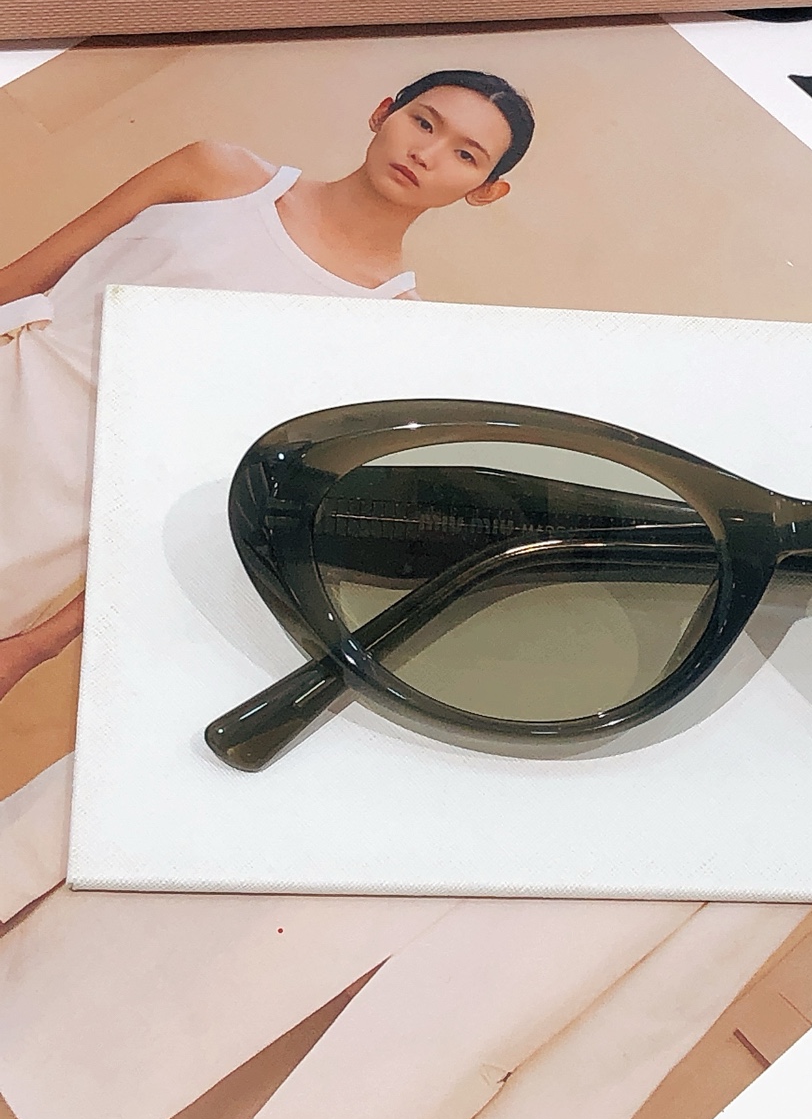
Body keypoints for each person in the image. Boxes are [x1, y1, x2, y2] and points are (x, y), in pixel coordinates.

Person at [0, 68, 535, 701]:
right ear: (382, 113)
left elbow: (208, 497)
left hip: (53, 518)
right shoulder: (215, 173)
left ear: (486, 191)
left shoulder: (388, 330)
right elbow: (24, 277)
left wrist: (40, 643)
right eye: (423, 122)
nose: (427, 153)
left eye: (466, 155)